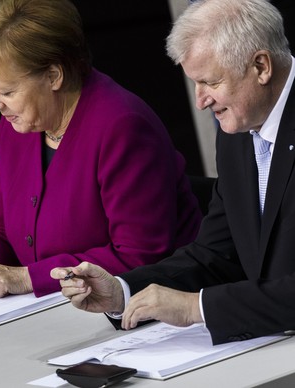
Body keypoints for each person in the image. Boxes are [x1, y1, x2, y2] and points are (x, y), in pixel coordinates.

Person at [0, 0, 202, 311]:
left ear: (54, 75)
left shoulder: (122, 126)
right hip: (52, 311)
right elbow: (0, 230)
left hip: (140, 311)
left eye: (6, 91)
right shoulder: (17, 126)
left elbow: (139, 254)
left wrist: (29, 277)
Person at [51, 0, 295, 345]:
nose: (200, 101)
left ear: (261, 66)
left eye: (209, 81)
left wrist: (198, 308)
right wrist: (123, 292)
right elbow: (216, 254)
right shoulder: (238, 132)